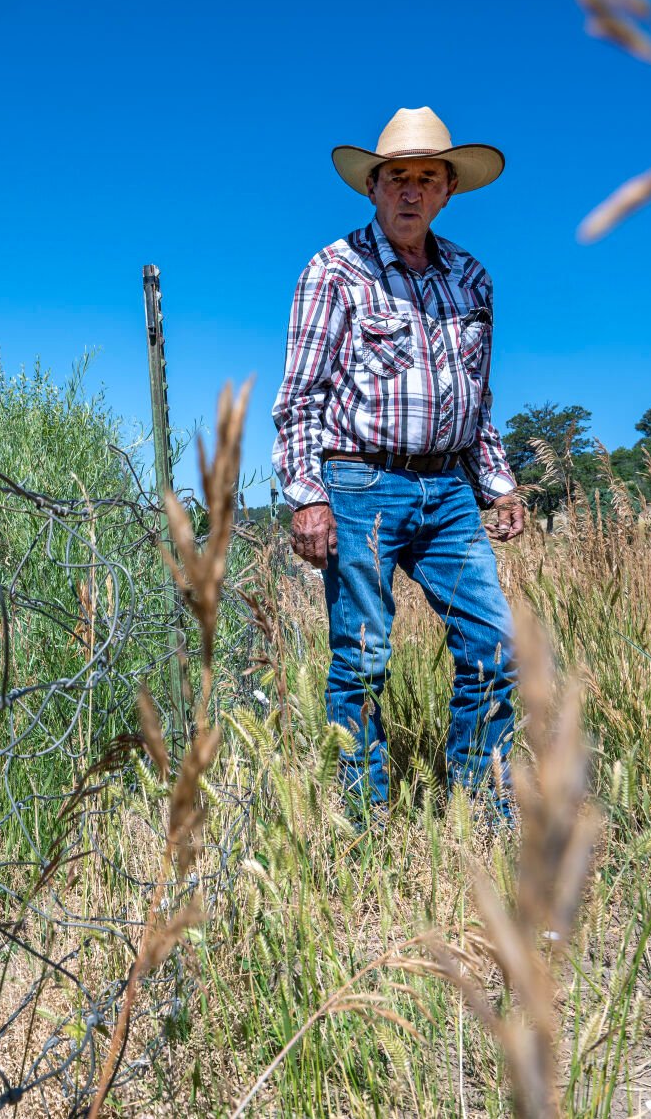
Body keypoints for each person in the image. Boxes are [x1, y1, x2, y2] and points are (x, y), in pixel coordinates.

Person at [270, 106, 527, 822]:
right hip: (359, 484)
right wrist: (306, 497)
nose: (410, 191)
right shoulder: (333, 270)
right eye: (396, 178)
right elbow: (299, 396)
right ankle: (363, 821)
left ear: (448, 190)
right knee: (361, 656)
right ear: (373, 188)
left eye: (426, 177)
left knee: (494, 645)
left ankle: (480, 813)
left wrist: (498, 484)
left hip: (448, 487)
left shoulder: (470, 279)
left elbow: (476, 399)